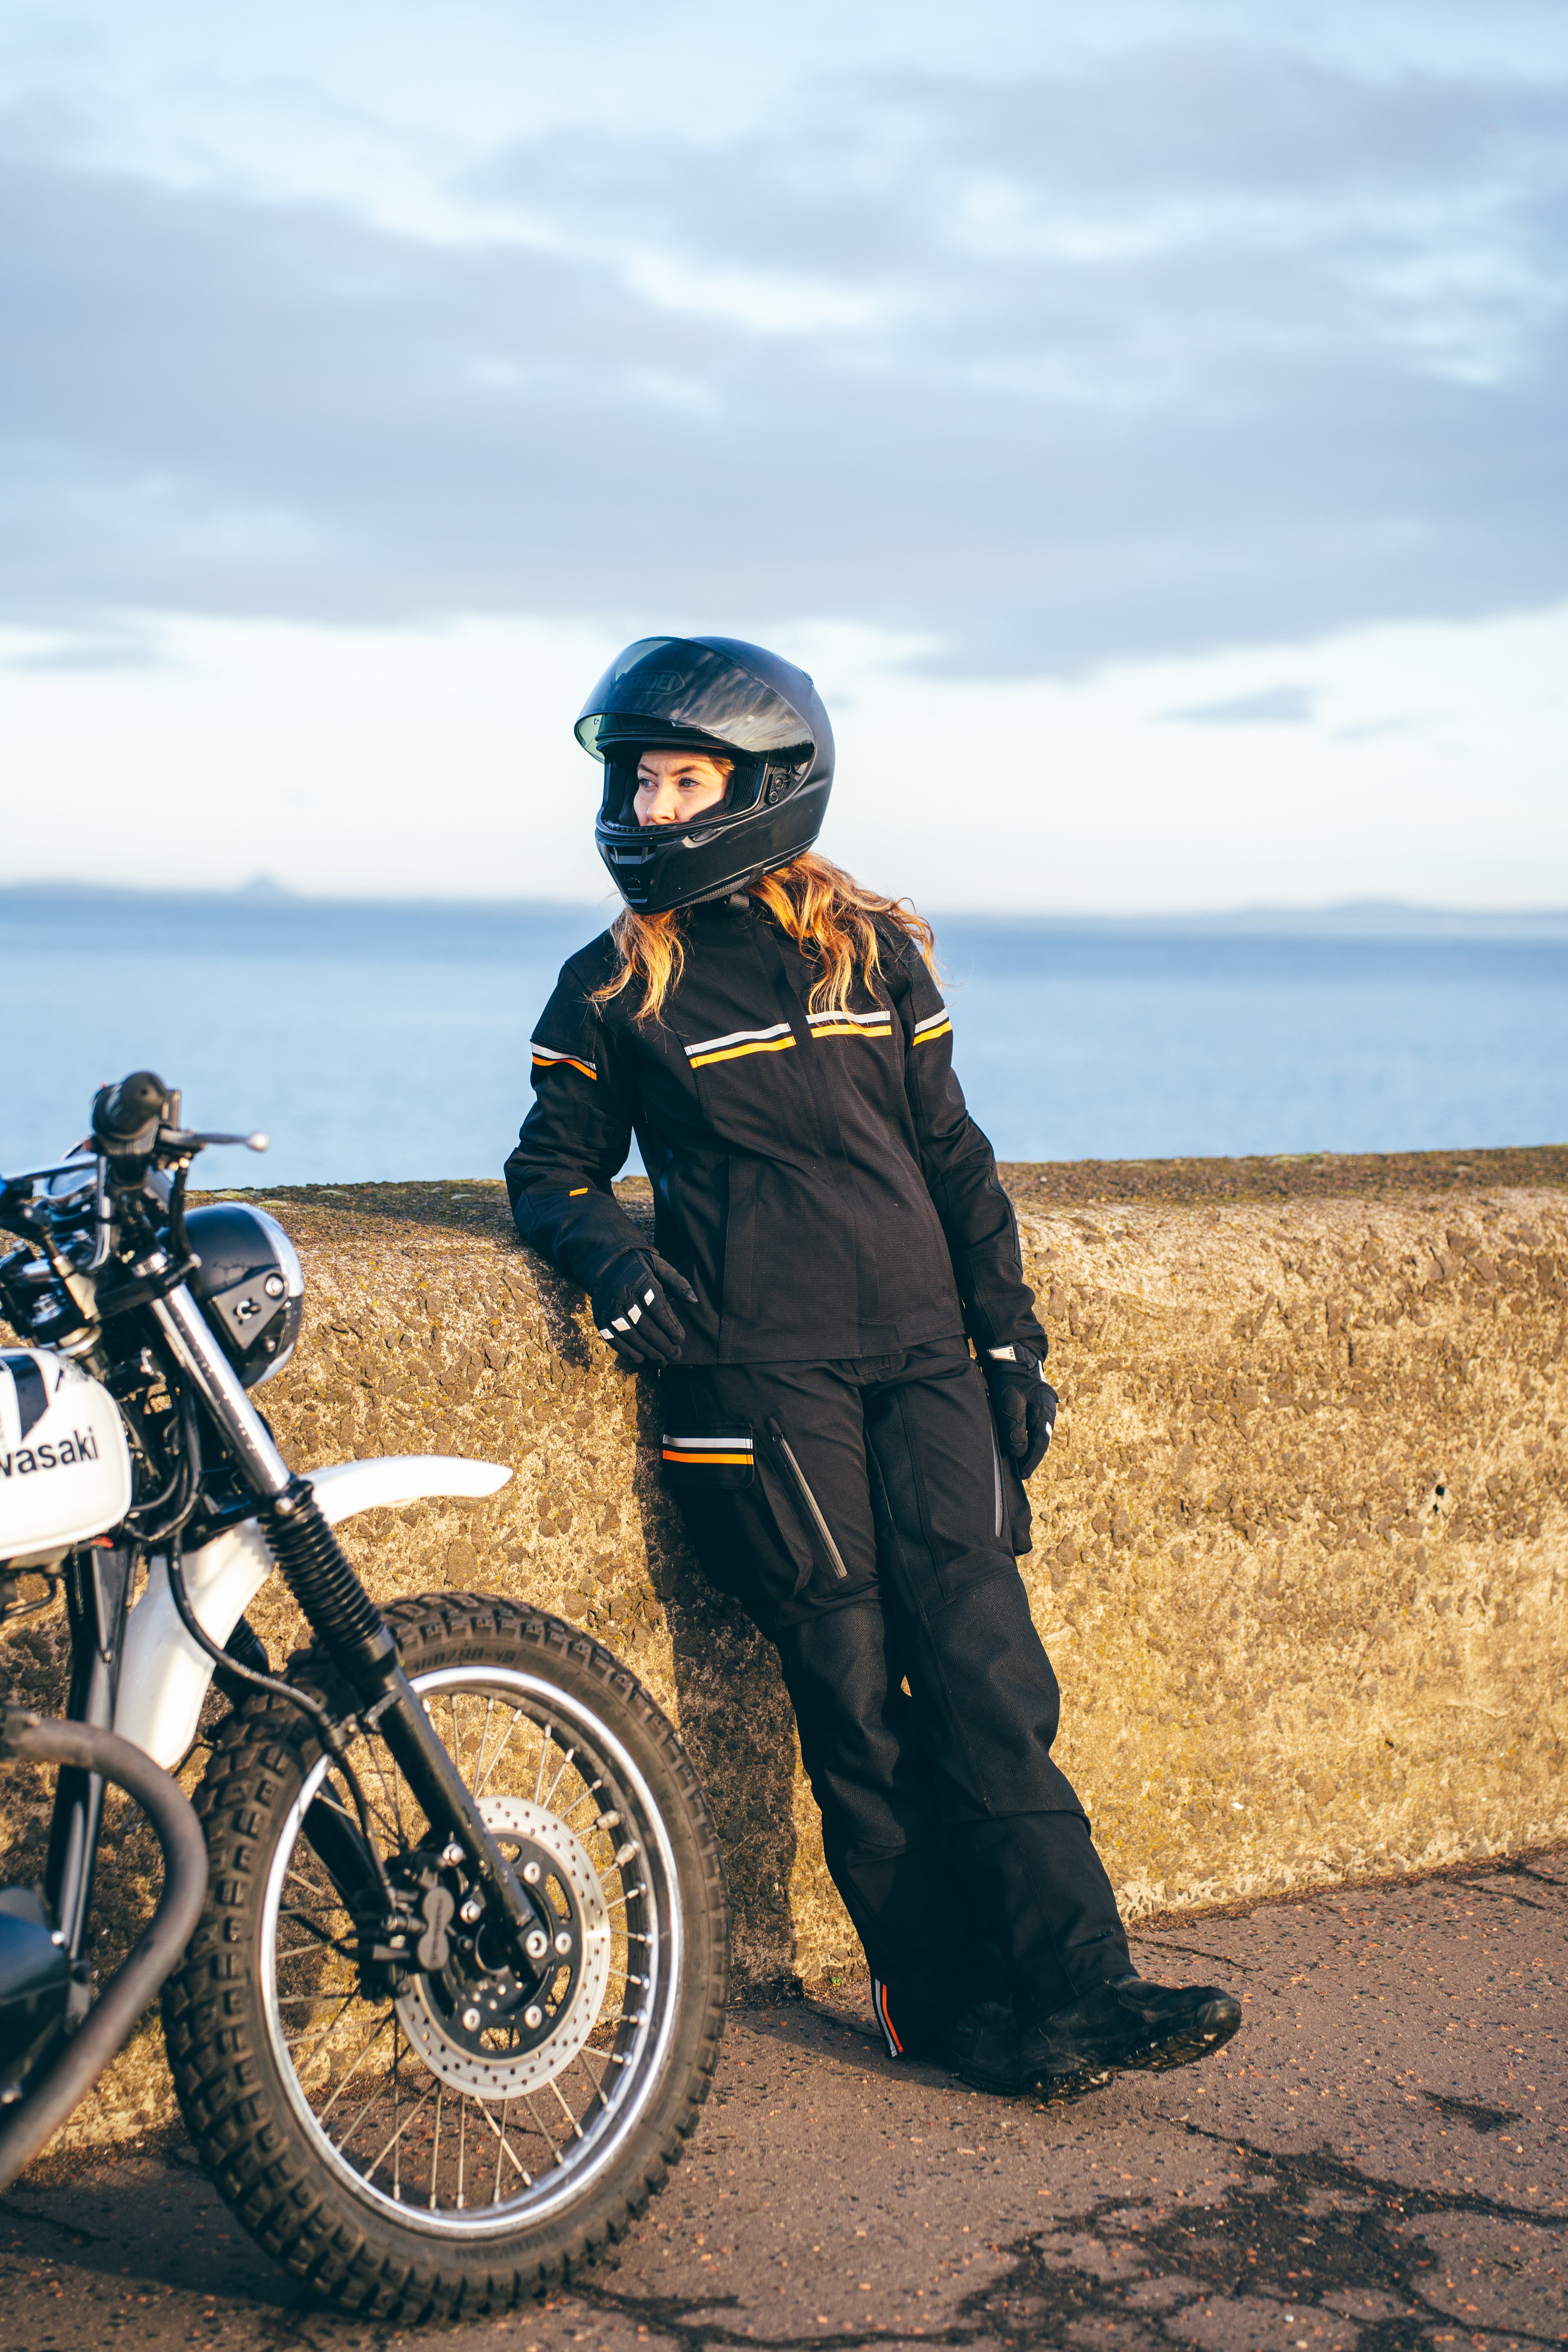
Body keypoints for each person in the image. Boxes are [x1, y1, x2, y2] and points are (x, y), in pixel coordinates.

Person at [505, 634, 1241, 2098]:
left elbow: (953, 1157)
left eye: (680, 780)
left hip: (924, 1363)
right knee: (850, 1691)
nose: (646, 808)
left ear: (766, 784)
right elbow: (551, 1173)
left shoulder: (873, 950)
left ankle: (1081, 1986)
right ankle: (951, 2007)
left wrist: (1009, 1337)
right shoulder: (610, 984)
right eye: (637, 781)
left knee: (985, 1674)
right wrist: (619, 1268)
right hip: (758, 1382)